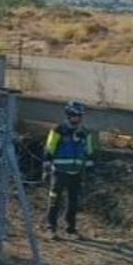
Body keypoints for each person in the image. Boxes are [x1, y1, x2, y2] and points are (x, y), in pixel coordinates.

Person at [44, 100, 97, 238]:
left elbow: (90, 152)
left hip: (76, 172)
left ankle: (70, 229)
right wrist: (47, 166)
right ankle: (51, 228)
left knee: (73, 202)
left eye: (80, 115)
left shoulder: (86, 133)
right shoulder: (58, 130)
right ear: (68, 115)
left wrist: (90, 167)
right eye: (75, 115)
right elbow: (49, 149)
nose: (77, 118)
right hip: (59, 171)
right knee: (54, 199)